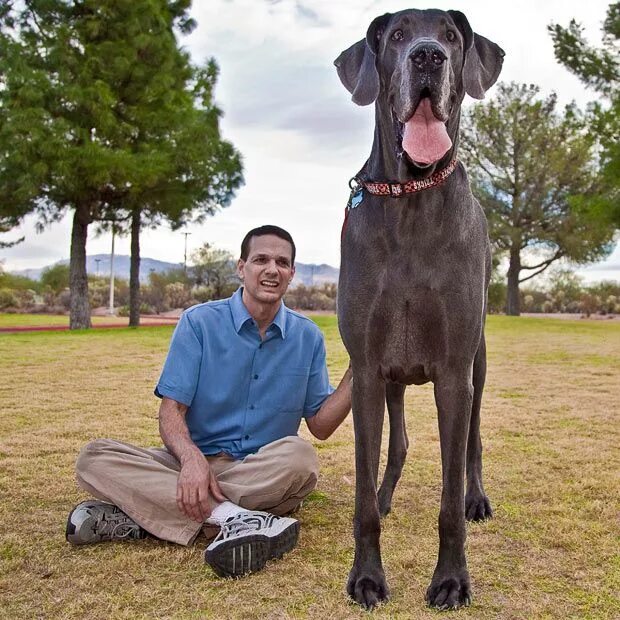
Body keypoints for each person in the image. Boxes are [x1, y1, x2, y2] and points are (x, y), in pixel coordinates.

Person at [66, 225, 352, 578]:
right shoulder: (198, 323)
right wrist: (191, 460)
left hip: (259, 472)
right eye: (261, 259)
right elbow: (172, 410)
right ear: (241, 267)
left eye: (282, 262)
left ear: (292, 273)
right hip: (189, 465)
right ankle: (233, 518)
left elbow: (320, 427)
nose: (271, 269)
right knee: (93, 458)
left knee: (301, 458)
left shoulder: (307, 336)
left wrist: (360, 368)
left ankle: (142, 516)